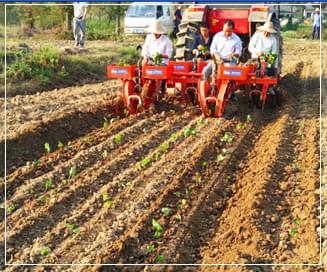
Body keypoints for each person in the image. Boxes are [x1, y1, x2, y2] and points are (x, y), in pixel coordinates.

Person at [141, 20, 173, 97]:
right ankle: (141, 83)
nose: (155, 33)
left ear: (160, 32)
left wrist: (160, 55)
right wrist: (145, 57)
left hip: (162, 61)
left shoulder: (166, 40)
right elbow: (145, 49)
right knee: (141, 64)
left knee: (161, 70)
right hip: (150, 59)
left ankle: (161, 89)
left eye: (157, 32)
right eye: (154, 32)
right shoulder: (149, 38)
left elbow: (169, 54)